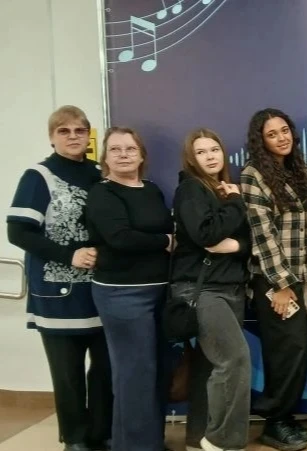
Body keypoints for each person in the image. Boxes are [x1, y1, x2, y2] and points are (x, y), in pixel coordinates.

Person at [6, 105, 112, 451]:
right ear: (51, 137)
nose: (72, 137)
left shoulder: (101, 174)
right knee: (67, 374)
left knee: (105, 369)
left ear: (88, 135)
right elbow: (18, 232)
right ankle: (75, 439)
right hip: (57, 292)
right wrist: (70, 255)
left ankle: (100, 434)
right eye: (64, 131)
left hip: (101, 290)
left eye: (79, 130)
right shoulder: (38, 176)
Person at [240, 108, 307, 451]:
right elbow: (262, 235)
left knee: (297, 350)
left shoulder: (300, 169)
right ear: (260, 141)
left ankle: (285, 417)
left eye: (285, 130)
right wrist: (281, 285)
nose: (281, 138)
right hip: (275, 281)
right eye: (272, 134)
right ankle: (274, 422)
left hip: (304, 276)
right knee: (285, 351)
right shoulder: (253, 175)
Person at [85, 127, 174, 451]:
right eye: (115, 149)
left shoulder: (151, 190)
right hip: (122, 295)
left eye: (130, 149)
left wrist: (165, 239)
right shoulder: (102, 194)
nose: (123, 154)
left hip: (161, 293)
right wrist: (165, 241)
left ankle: (150, 442)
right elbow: (120, 238)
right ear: (105, 158)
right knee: (135, 376)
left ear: (141, 156)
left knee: (157, 373)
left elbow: (164, 228)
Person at [171, 128, 252, 451]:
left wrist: (237, 245)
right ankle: (222, 441)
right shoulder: (191, 189)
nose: (210, 156)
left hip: (231, 287)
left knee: (210, 366)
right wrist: (235, 203)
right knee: (234, 360)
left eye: (214, 149)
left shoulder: (224, 189)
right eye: (201, 152)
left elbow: (247, 240)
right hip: (202, 289)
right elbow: (206, 234)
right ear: (192, 158)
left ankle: (198, 439)